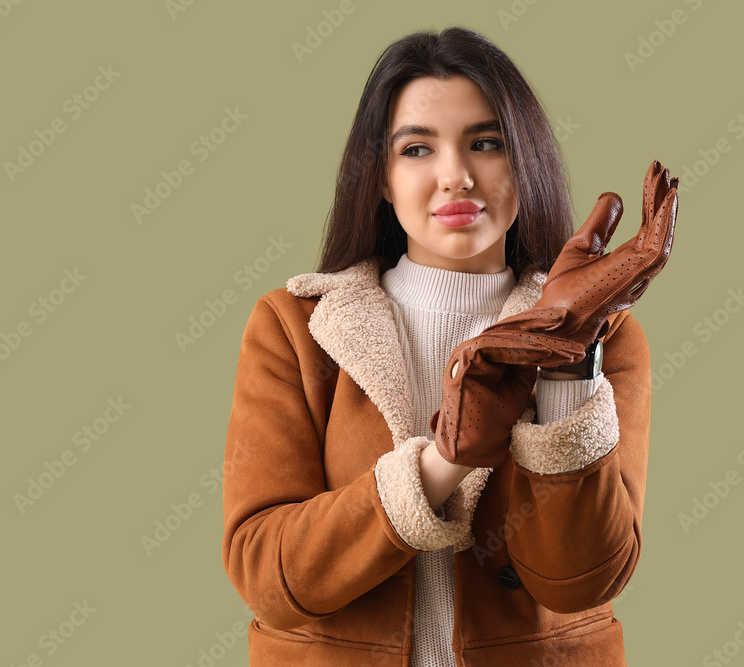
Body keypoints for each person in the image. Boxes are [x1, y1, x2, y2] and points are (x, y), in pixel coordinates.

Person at [222, 25, 678, 666]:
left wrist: (566, 364)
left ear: (525, 164)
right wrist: (443, 462)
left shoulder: (608, 336)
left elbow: (584, 581)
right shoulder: (295, 328)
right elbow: (267, 575)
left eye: (486, 143)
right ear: (379, 177)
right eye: (416, 149)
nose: (456, 176)